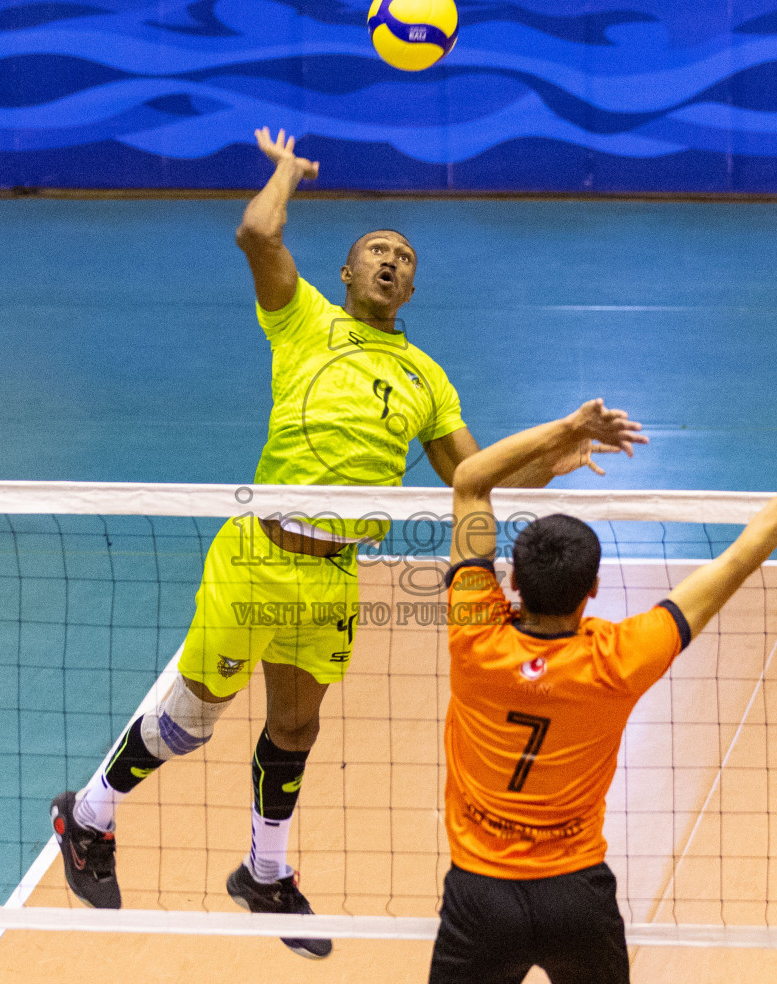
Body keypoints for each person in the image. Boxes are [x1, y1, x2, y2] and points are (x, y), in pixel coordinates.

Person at [50, 128, 586, 956]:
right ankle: (87, 817)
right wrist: (287, 175)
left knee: (296, 729)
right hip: (258, 554)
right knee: (193, 723)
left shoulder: (426, 378)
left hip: (335, 574)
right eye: (376, 250)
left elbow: (473, 476)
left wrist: (554, 456)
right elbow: (257, 235)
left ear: (412, 286)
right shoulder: (303, 319)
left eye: (404, 257)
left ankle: (264, 873)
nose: (390, 262)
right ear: (345, 272)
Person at [434, 394, 777, 983]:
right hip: (575, 896)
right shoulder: (621, 658)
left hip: (481, 897)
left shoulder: (472, 636)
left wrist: (566, 430)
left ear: (513, 582)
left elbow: (471, 482)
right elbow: (742, 557)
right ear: (595, 587)